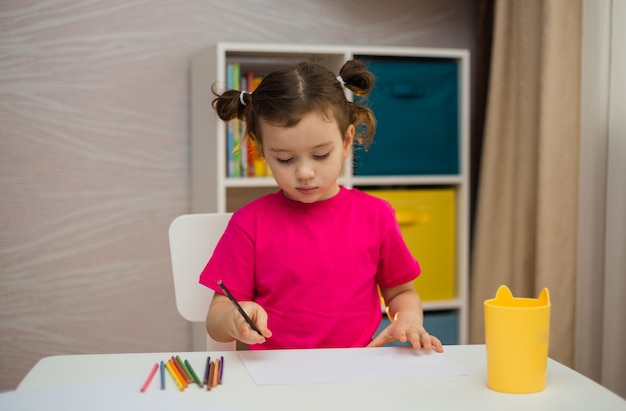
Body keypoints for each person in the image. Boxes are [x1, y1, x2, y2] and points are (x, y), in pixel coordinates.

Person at [200, 59, 443, 353]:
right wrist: (233, 319)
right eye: (285, 159)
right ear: (261, 150)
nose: (304, 172)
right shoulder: (249, 222)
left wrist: (408, 319)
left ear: (346, 141)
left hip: (353, 370)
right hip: (275, 374)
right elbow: (216, 317)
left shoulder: (375, 216)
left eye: (320, 154)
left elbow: (401, 292)